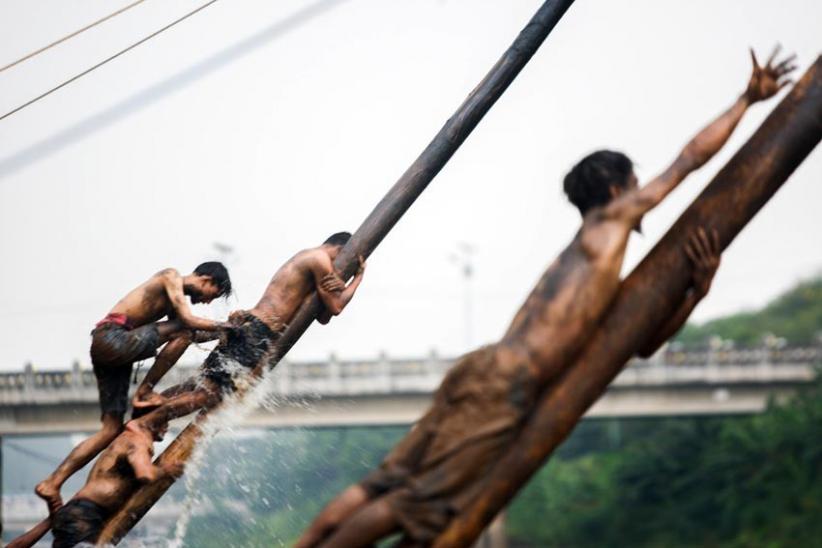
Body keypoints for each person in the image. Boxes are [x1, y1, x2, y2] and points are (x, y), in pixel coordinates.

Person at [295, 47, 794, 548]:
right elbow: (686, 162)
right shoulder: (607, 225)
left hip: (487, 367)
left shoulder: (584, 266)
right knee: (417, 502)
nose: (648, 195)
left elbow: (640, 343)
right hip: (507, 383)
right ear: (618, 189)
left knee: (386, 481)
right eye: (638, 186)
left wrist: (696, 291)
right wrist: (746, 101)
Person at [35, 262, 232, 514]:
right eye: (209, 296)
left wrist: (221, 333)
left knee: (110, 429)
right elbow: (187, 323)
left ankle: (52, 482)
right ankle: (145, 390)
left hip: (111, 348)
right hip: (112, 338)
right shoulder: (170, 276)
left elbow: (188, 333)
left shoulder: (175, 300)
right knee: (185, 329)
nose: (205, 303)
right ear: (207, 280)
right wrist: (227, 327)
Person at [135, 232, 366, 423]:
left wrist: (341, 282)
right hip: (258, 333)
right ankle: (148, 422)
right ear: (340, 250)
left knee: (198, 384)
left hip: (251, 327)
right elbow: (336, 307)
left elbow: (324, 316)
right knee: (210, 394)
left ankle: (144, 411)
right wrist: (358, 277)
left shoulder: (309, 258)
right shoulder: (319, 259)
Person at [8, 414, 182, 548]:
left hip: (80, 516)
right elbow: (146, 475)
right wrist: (166, 470)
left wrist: (50, 521)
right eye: (164, 420)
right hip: (83, 516)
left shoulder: (128, 443)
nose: (167, 426)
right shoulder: (134, 443)